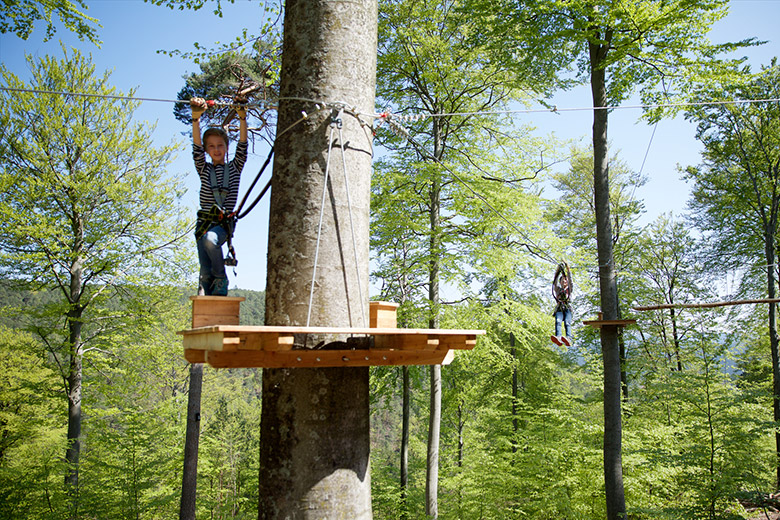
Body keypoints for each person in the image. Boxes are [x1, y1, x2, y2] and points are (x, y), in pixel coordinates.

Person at [190, 97, 248, 296]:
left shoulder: (234, 168)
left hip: (223, 223)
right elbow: (196, 150)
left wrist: (242, 117)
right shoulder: (204, 169)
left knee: (211, 240)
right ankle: (208, 295)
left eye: (220, 145)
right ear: (207, 150)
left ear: (226, 147)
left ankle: (221, 278)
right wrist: (195, 119)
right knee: (205, 271)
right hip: (204, 221)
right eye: (212, 147)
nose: (216, 150)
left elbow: (242, 146)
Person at [551, 262, 573, 346]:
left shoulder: (569, 289)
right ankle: (558, 337)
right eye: (562, 280)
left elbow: (571, 281)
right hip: (560, 308)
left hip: (567, 308)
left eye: (565, 280)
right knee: (558, 321)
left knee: (567, 322)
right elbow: (554, 282)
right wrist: (557, 272)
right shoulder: (558, 289)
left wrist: (568, 269)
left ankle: (568, 338)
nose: (564, 281)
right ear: (560, 282)